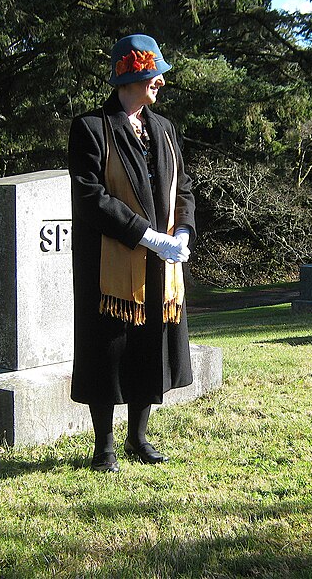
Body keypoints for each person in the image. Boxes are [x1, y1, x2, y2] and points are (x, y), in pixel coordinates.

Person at [68, 34, 196, 472]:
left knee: (148, 347)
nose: (160, 81)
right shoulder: (91, 127)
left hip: (159, 265)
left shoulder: (163, 128)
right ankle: (103, 447)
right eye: (154, 74)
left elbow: (185, 189)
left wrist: (181, 230)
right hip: (107, 261)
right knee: (108, 351)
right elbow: (90, 197)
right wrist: (145, 235)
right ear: (132, 76)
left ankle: (137, 439)